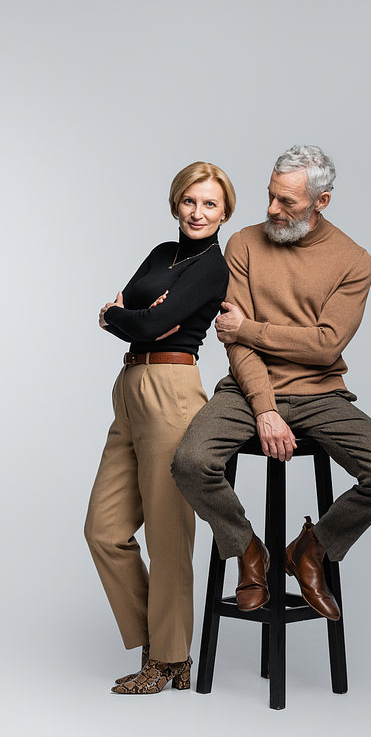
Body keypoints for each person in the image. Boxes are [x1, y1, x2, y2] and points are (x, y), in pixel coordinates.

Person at [172, 145, 371, 621]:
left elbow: (324, 346)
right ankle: (248, 550)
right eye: (270, 196)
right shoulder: (242, 243)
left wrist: (251, 329)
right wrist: (263, 408)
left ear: (321, 202)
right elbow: (235, 344)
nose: (272, 210)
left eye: (288, 203)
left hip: (322, 394)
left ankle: (310, 548)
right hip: (246, 388)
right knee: (190, 462)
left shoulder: (353, 260)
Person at [84, 161, 234, 694]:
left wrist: (130, 317)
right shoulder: (160, 254)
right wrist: (133, 316)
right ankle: (159, 642)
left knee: (168, 534)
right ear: (176, 203)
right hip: (128, 390)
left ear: (225, 212)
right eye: (190, 201)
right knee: (103, 531)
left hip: (173, 391)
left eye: (210, 204)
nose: (198, 212)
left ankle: (170, 659)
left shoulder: (214, 267)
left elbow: (134, 320)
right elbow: (128, 314)